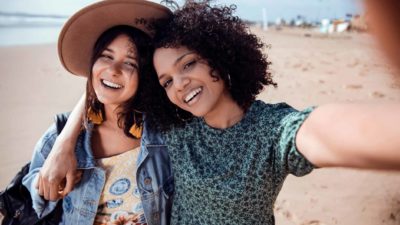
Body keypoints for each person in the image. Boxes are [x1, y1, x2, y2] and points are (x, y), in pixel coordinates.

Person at [38, 1, 400, 224]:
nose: (179, 85)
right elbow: (105, 89)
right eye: (165, 80)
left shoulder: (270, 130)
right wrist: (64, 142)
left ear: (220, 57)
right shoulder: (175, 125)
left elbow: (321, 131)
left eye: (189, 64)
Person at [22, 1, 173, 225]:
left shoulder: (163, 132)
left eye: (130, 63)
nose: (113, 70)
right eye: (106, 56)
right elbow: (32, 195)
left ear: (146, 75)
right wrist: (49, 184)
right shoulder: (60, 137)